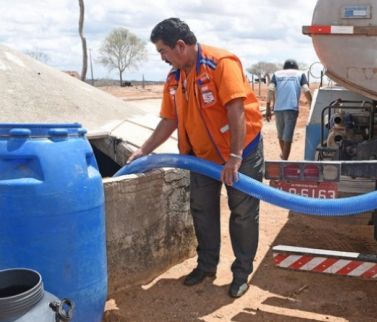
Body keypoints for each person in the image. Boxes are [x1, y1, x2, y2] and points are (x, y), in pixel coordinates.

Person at [127, 18, 264, 298]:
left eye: (163, 52)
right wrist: (145, 149)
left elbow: (236, 110)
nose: (163, 58)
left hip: (241, 154)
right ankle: (206, 266)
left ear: (180, 45)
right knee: (201, 209)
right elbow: (169, 120)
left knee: (243, 214)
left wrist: (235, 158)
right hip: (201, 159)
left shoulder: (220, 63)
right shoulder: (175, 78)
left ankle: (241, 273)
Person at [265, 59, 312, 160]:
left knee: (281, 134)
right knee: (288, 134)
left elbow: (270, 89)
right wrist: (311, 103)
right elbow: (306, 89)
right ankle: (285, 158)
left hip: (278, 108)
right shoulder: (300, 73)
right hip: (292, 108)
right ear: (296, 67)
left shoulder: (277, 74)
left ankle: (284, 156)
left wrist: (268, 107)